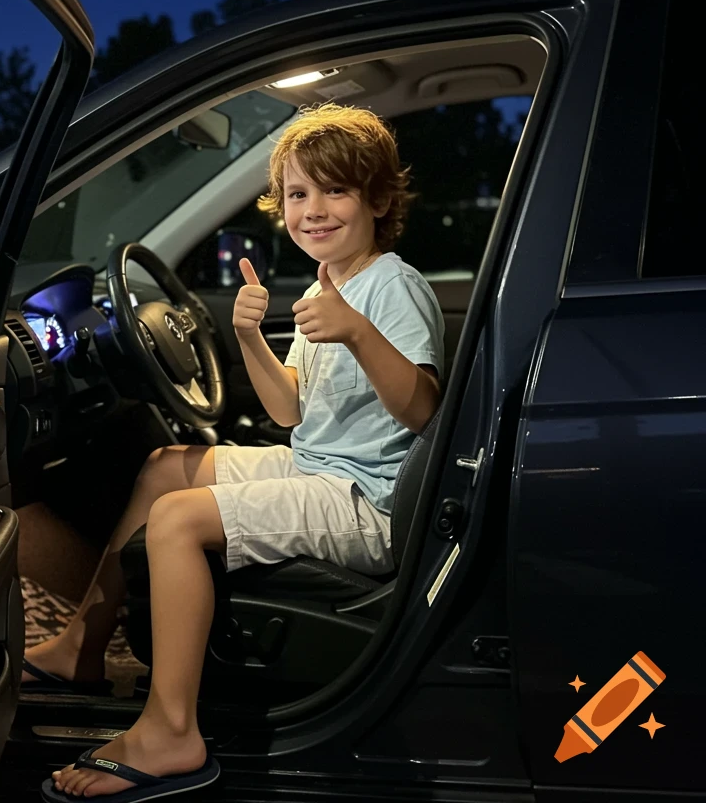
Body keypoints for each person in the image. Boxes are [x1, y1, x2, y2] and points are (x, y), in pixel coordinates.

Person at [37, 104, 444, 802]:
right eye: (297, 194)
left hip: (365, 499)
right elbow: (290, 411)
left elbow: (423, 406)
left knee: (176, 521)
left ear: (378, 200)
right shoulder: (328, 282)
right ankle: (82, 647)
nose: (313, 209)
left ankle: (171, 729)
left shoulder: (392, 285)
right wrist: (252, 338)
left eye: (335, 190)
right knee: (166, 468)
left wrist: (356, 332)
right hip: (320, 464)